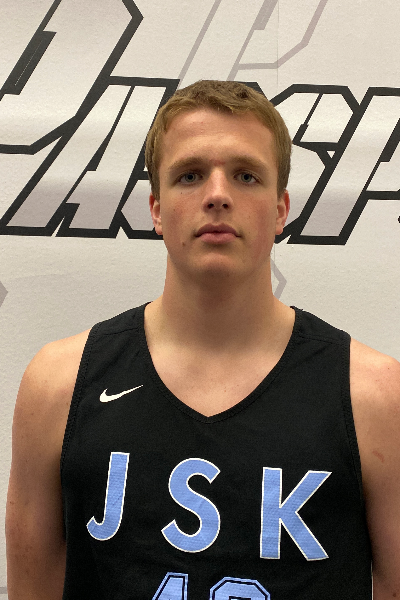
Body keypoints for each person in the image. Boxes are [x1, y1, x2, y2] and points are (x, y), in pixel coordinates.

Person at [5, 80, 400, 599]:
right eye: (189, 175)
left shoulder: (375, 396)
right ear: (156, 208)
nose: (217, 195)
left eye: (246, 176)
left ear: (281, 210)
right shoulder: (58, 384)